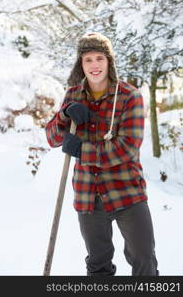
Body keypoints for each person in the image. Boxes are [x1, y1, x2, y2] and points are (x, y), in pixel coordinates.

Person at [45, 32, 159, 276]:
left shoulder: (129, 96)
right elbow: (52, 138)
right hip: (89, 196)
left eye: (100, 58)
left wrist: (82, 150)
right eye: (88, 60)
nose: (94, 65)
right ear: (81, 64)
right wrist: (64, 115)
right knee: (98, 266)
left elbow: (127, 147)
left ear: (109, 61)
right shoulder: (73, 95)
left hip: (127, 191)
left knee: (143, 260)